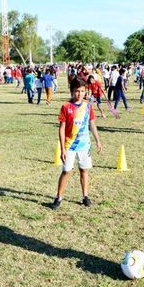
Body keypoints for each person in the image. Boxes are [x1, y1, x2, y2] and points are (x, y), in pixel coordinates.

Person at [50, 77, 102, 210]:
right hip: (69, 146)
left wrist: (98, 140)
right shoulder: (66, 106)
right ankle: (59, 197)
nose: (80, 94)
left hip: (84, 145)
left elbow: (92, 124)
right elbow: (62, 128)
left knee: (84, 170)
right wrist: (62, 149)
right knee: (66, 171)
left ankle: (85, 196)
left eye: (83, 91)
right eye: (77, 91)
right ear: (72, 91)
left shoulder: (88, 105)